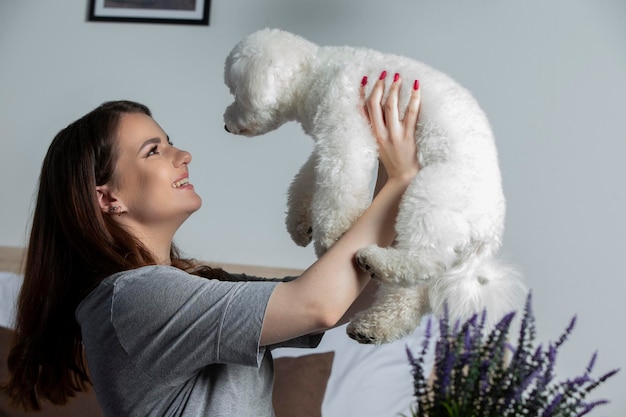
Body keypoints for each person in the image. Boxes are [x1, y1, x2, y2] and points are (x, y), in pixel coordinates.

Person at [2, 71, 421, 416]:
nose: (182, 154)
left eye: (169, 141)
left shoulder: (194, 287)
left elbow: (350, 298)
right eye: (154, 151)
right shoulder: (134, 298)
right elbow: (318, 306)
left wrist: (388, 169)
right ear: (108, 198)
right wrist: (399, 180)